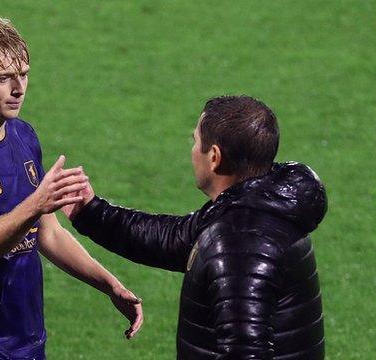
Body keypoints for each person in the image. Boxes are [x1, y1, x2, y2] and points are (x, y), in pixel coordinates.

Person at [0, 15, 142, 360]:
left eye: (23, 74)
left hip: (27, 335)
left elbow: (46, 233)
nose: (18, 88)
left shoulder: (23, 135)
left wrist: (109, 284)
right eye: (2, 78)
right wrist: (39, 203)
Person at [64, 95, 327, 359]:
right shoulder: (256, 208)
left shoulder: (240, 244)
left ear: (214, 157)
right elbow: (172, 239)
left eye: (196, 141)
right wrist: (90, 211)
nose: (192, 151)